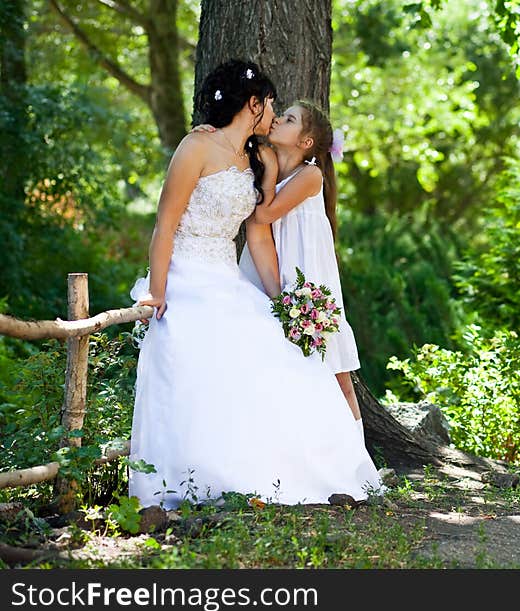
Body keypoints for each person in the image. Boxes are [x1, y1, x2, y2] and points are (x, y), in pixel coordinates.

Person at [129, 59, 383, 509]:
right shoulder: (196, 147)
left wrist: (279, 301)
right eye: (271, 105)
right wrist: (159, 292)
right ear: (253, 104)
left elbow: (259, 234)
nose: (274, 112)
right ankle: (191, 480)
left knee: (280, 355)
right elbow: (164, 225)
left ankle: (295, 471)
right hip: (186, 276)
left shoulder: (256, 157)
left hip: (227, 276)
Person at [238, 101, 364, 426]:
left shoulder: (309, 175)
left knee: (338, 375)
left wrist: (265, 171)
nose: (278, 118)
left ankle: (358, 460)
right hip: (276, 272)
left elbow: (264, 213)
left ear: (305, 142)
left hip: (309, 278)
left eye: (290, 119)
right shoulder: (273, 170)